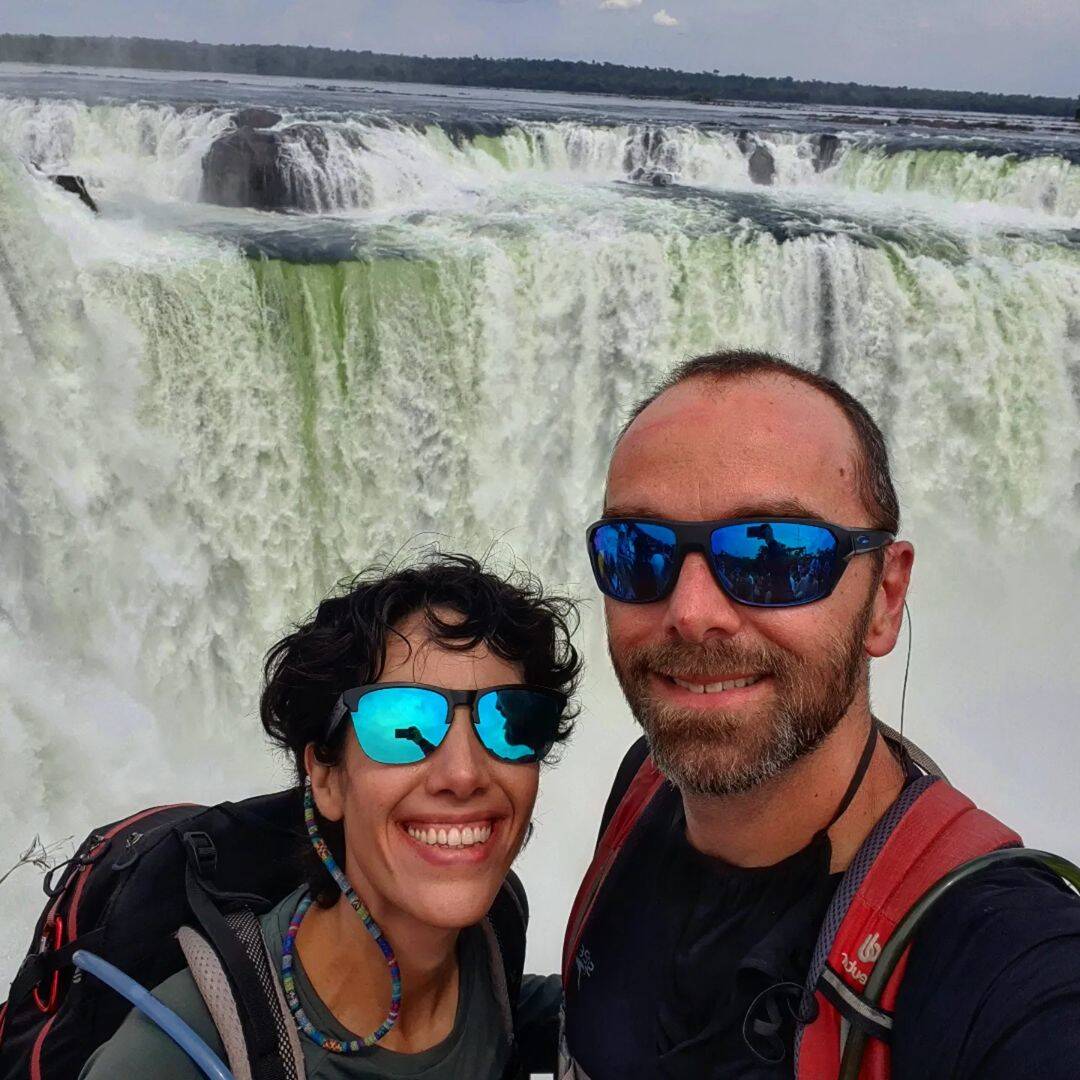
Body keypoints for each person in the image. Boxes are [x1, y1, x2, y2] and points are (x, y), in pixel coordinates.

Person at [563, 350, 1080, 1078]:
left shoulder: (997, 957)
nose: (691, 613)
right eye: (637, 551)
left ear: (885, 598)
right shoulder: (644, 789)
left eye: (773, 556)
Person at [81, 553, 575, 1080]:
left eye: (509, 720)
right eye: (401, 724)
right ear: (325, 778)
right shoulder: (169, 1058)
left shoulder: (494, 935)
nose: (464, 772)